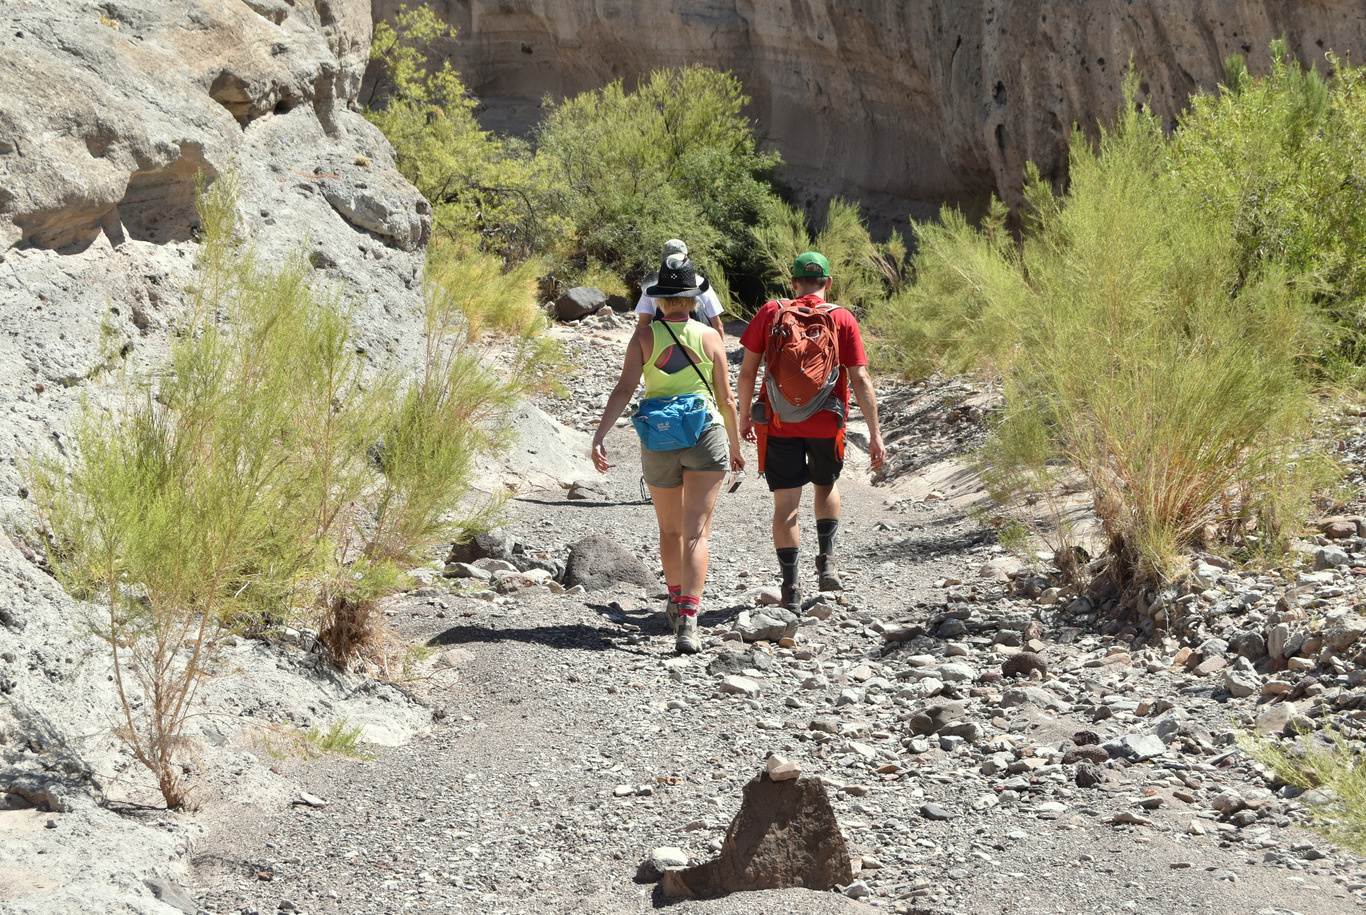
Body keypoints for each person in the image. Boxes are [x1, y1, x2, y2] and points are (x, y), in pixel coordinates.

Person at [592, 254, 745, 654]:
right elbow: (727, 399)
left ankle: (676, 601)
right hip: (705, 435)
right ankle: (690, 621)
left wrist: (599, 436)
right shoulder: (712, 337)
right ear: (694, 299)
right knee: (697, 533)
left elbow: (624, 390)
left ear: (659, 300)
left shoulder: (644, 338)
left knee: (671, 531)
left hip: (658, 439)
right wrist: (735, 445)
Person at [736, 251, 886, 611]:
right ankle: (828, 561)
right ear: (828, 283)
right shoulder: (841, 317)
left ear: (793, 282)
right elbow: (860, 378)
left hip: (778, 421)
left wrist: (745, 417)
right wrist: (876, 433)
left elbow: (747, 372)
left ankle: (790, 587)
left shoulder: (772, 311)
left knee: (786, 504)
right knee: (826, 485)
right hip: (826, 421)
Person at [634, 239, 726, 336]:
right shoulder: (700, 285)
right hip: (699, 342)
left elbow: (643, 324)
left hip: (663, 343)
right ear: (685, 256)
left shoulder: (653, 289)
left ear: (663, 259)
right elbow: (717, 325)